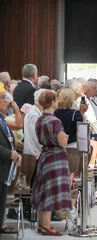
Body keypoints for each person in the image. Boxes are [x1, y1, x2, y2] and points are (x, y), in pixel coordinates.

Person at [31, 90, 72, 236]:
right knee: (52, 192)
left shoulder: (40, 119)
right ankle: (47, 225)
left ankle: (42, 224)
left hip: (44, 156)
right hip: (56, 158)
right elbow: (62, 143)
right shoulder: (55, 121)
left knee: (44, 190)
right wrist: (65, 138)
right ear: (53, 101)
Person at [0, 82, 22, 237]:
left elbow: (9, 138)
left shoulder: (2, 119)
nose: (5, 101)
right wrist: (10, 154)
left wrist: (15, 153)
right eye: (2, 97)